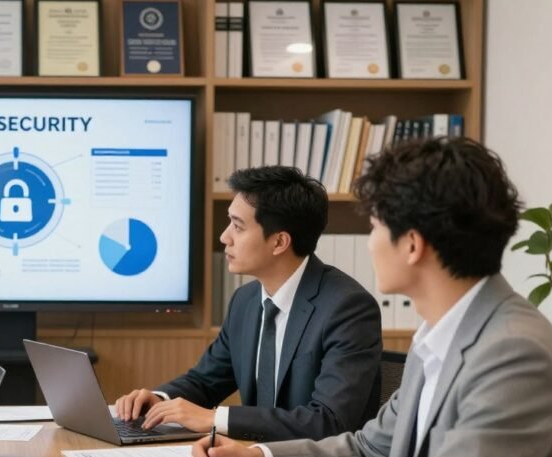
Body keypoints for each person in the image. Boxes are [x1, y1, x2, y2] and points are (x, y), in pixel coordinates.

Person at [192, 138, 552, 457]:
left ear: (412, 245)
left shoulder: (515, 356)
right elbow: (370, 451)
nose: (369, 244)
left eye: (375, 227)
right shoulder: (440, 335)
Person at [116, 166, 382, 442]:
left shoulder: (348, 309)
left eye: (238, 226)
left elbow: (328, 421)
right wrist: (160, 399)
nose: (224, 237)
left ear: (279, 242)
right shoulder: (245, 301)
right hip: (250, 456)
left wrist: (215, 418)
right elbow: (206, 381)